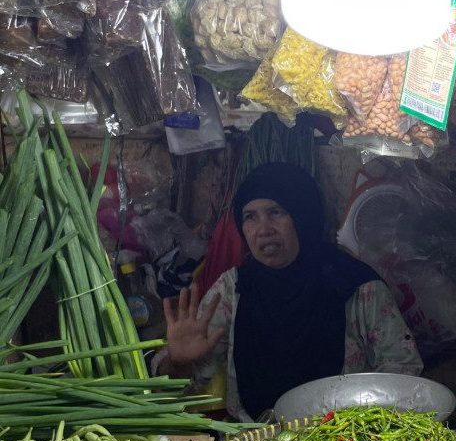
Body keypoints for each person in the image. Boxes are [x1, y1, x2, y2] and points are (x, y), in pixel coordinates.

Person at [160, 162, 422, 420]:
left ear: (302, 215)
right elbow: (176, 389)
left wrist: (362, 430)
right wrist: (178, 363)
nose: (263, 230)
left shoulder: (356, 287)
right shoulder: (234, 288)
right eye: (250, 217)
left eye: (276, 212)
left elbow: (402, 372)